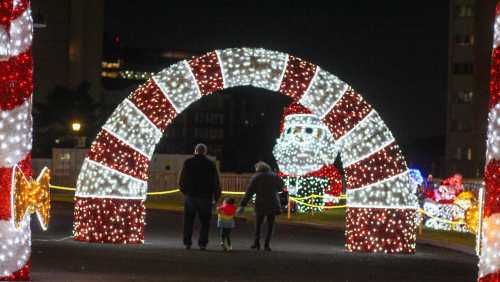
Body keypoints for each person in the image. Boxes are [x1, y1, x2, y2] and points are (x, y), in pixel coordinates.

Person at [179, 143, 221, 250]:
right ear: (205, 152)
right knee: (205, 222)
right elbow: (215, 182)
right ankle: (202, 243)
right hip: (205, 196)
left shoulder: (188, 162)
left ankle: (187, 242)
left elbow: (182, 179)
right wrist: (216, 197)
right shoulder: (210, 164)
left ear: (195, 151)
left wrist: (185, 191)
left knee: (188, 220)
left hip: (191, 195)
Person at [238, 161, 284, 251]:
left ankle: (256, 242)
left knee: (258, 224)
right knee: (270, 224)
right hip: (273, 202)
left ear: (258, 169)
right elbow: (281, 187)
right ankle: (267, 244)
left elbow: (249, 192)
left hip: (261, 202)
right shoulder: (274, 176)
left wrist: (242, 205)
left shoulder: (256, 177)